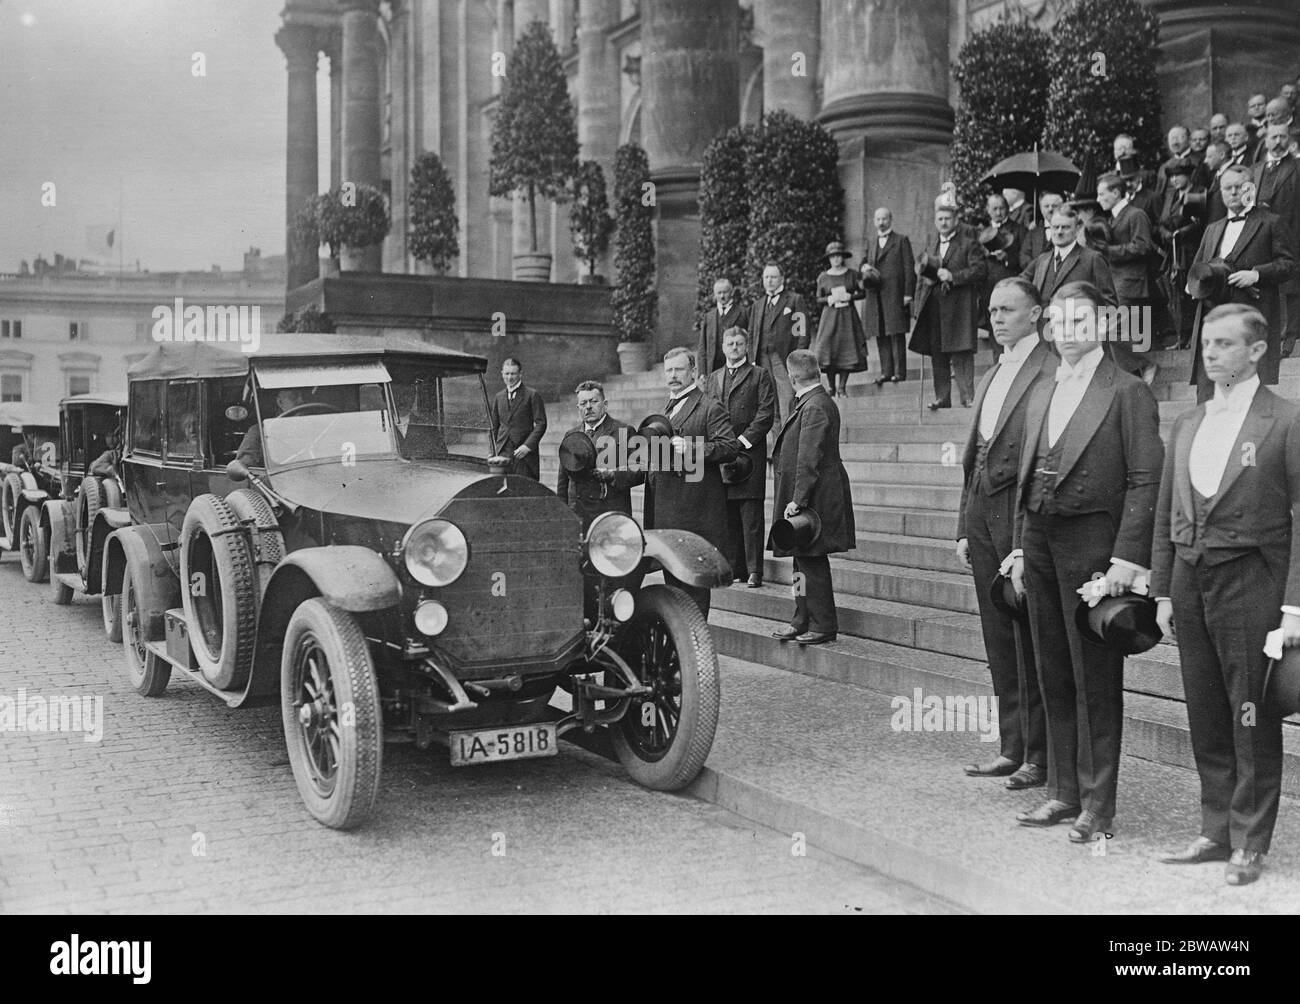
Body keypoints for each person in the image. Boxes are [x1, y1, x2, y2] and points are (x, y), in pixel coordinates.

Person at [1009, 281, 1163, 842]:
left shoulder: (1126, 391)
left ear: (1102, 325)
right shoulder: (1043, 388)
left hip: (1095, 549)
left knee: (1094, 676)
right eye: (1058, 322)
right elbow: (1027, 475)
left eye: (1080, 321)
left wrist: (1128, 557)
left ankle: (1099, 805)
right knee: (1052, 667)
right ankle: (1062, 793)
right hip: (1042, 539)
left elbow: (1147, 478)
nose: (1067, 331)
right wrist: (1022, 547)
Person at [1152, 304, 1300, 886]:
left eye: (1222, 344)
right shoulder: (1188, 422)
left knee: (1249, 710)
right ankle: (1215, 829)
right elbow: (1166, 510)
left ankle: (1250, 840)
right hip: (1191, 579)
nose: (1210, 353)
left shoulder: (1286, 421)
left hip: (1251, 581)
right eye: (1205, 343)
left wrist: (1294, 606)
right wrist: (1162, 590)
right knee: (1206, 708)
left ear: (1258, 351)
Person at [955, 278, 1055, 789]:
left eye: (1007, 309)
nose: (996, 318)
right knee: (998, 639)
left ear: (1035, 314)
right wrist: (963, 526)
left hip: (1021, 518)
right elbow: (973, 456)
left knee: (1031, 637)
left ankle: (1040, 754)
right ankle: (1011, 746)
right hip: (982, 513)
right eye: (991, 310)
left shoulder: (1051, 369)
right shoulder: (994, 370)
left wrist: (1022, 537)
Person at [1186, 164, 1298, 401]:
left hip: (1251, 313)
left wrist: (1256, 274)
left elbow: (1290, 264)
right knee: (1209, 392)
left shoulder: (1271, 222)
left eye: (1241, 187)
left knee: (1247, 390)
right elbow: (1196, 271)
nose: (1234, 192)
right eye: (1228, 188)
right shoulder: (1212, 229)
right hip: (1213, 314)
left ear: (1252, 189)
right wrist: (1194, 286)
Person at [643, 347, 738, 618]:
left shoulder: (709, 406)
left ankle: (695, 651)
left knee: (693, 592)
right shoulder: (667, 409)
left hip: (695, 515)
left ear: (694, 372)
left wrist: (693, 447)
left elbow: (729, 447)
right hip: (667, 513)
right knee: (674, 591)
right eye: (669, 370)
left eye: (679, 369)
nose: (673, 376)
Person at [768, 349, 854, 646]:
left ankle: (823, 624)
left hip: (814, 498)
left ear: (792, 378)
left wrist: (798, 500)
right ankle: (801, 617)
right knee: (800, 562)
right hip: (811, 495)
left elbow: (809, 458)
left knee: (812, 563)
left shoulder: (814, 406)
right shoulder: (813, 401)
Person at [707, 327, 775, 588]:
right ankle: (736, 568)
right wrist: (721, 445)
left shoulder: (759, 375)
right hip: (722, 455)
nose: (734, 348)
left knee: (751, 516)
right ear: (723, 347)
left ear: (747, 346)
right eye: (729, 343)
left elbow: (766, 413)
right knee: (729, 515)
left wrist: (742, 441)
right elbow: (708, 413)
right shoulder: (714, 378)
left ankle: (755, 569)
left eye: (739, 343)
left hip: (749, 454)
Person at [910, 202, 987, 410]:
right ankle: (942, 397)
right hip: (934, 305)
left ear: (955, 221)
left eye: (947, 219)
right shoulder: (931, 245)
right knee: (938, 353)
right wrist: (917, 307)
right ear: (936, 222)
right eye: (940, 219)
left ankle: (967, 397)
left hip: (959, 305)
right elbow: (920, 277)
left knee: (961, 352)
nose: (943, 223)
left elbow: (980, 270)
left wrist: (954, 276)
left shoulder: (968, 243)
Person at [554, 380, 643, 529]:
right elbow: (563, 480)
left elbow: (640, 470)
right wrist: (563, 513)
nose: (588, 407)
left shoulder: (623, 431)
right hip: (578, 513)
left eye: (593, 401)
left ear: (605, 404)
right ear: (578, 407)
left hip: (611, 513)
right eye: (583, 403)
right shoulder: (571, 435)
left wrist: (613, 474)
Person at [1097, 171, 1157, 379]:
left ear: (1115, 192)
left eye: (1101, 194)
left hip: (1130, 281)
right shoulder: (1111, 219)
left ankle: (1145, 363)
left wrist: (1109, 251)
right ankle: (1135, 373)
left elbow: (1143, 246)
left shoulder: (1135, 214)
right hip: (1115, 282)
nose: (1098, 199)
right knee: (1114, 332)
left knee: (1112, 330)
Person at [1254, 121, 1300, 357]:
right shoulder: (1257, 169)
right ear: (1266, 141)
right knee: (1266, 282)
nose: (1278, 141)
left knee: (1290, 286)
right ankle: (1271, 336)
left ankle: (1288, 338)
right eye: (1274, 137)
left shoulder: (1297, 167)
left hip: (1292, 233)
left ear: (1289, 140)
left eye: (1283, 137)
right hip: (1263, 235)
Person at [747, 263, 809, 426]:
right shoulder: (758, 305)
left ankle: (789, 444)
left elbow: (801, 332)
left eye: (773, 277)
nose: (769, 281)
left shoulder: (794, 300)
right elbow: (752, 335)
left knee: (788, 399)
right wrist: (752, 358)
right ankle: (777, 448)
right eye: (766, 277)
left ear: (782, 278)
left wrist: (797, 359)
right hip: (762, 359)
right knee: (769, 403)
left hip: (783, 358)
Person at [1021, 205, 1117, 310]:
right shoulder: (1042, 260)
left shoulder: (1093, 259)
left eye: (1065, 227)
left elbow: (1109, 303)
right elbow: (1020, 285)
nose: (1059, 232)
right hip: (1043, 325)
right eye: (1055, 227)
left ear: (1077, 229)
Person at [860, 207, 915, 385]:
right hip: (875, 295)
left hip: (895, 293)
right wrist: (864, 267)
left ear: (891, 220)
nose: (881, 222)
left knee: (895, 333)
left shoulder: (901, 240)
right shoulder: (871, 241)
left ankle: (899, 372)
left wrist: (908, 293)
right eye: (878, 219)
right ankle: (886, 371)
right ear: (874, 222)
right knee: (880, 333)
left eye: (884, 219)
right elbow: (863, 261)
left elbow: (909, 268)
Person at [1157, 160, 1205, 349]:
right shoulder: (1171, 195)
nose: (1175, 179)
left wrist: (1181, 232)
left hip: (1190, 250)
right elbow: (1161, 222)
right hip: (1173, 251)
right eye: (1172, 176)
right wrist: (1166, 233)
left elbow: (1198, 223)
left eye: (1179, 175)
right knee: (1175, 294)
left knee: (1191, 291)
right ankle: (1181, 336)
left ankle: (1195, 335)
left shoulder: (1196, 192)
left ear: (1188, 175)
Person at [813, 241, 868, 396]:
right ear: (829, 259)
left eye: (839, 256)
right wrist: (829, 299)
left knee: (847, 350)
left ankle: (842, 387)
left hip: (847, 317)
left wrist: (851, 296)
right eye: (833, 257)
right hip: (830, 317)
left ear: (843, 257)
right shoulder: (823, 277)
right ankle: (831, 387)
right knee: (829, 350)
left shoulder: (851, 274)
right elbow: (818, 298)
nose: (836, 259)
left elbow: (862, 293)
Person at [488, 357, 548, 481]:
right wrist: (493, 450)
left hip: (523, 454)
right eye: (507, 373)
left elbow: (541, 423)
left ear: (520, 374)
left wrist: (527, 446)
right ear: (502, 374)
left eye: (513, 373)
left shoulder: (532, 395)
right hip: (502, 452)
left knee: (524, 488)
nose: (510, 377)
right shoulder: (498, 397)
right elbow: (494, 426)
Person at [235, 386, 308, 469]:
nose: (302, 401)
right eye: (294, 397)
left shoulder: (316, 428)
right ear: (280, 402)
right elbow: (245, 468)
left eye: (304, 396)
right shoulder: (259, 431)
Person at [696, 276, 745, 380]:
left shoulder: (743, 313)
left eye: (725, 292)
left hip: (737, 366)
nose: (722, 296)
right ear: (714, 295)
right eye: (719, 293)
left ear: (731, 292)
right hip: (713, 368)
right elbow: (702, 346)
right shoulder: (709, 317)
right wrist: (702, 372)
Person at [1019, 191, 1065, 266]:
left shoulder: (1067, 230)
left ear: (1062, 208)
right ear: (1040, 208)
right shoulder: (1033, 231)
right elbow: (1024, 256)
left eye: (1054, 206)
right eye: (1046, 206)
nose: (1050, 209)